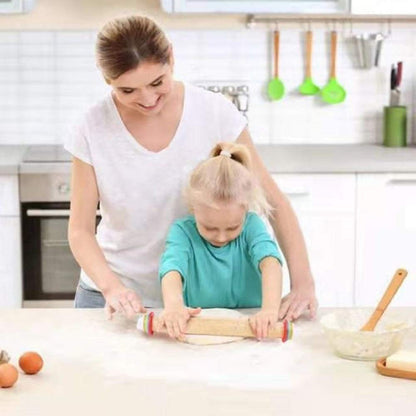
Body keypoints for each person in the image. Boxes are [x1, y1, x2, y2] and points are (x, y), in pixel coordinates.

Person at [65, 15, 317, 322]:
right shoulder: (92, 127)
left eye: (157, 82)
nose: (147, 99)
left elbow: (273, 202)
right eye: (127, 91)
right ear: (108, 80)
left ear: (171, 56)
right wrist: (112, 288)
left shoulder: (214, 113)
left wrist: (303, 283)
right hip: (113, 296)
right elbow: (80, 231)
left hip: (195, 300)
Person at [157, 142, 283, 339]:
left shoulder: (252, 226)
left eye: (233, 227)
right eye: (209, 227)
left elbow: (271, 263)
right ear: (193, 208)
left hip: (252, 325)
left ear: (245, 209)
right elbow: (172, 268)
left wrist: (269, 310)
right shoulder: (182, 232)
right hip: (200, 327)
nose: (221, 237)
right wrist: (174, 306)